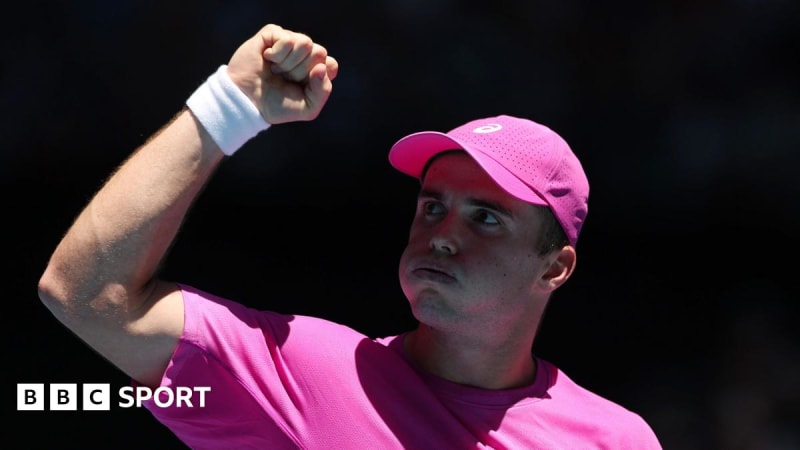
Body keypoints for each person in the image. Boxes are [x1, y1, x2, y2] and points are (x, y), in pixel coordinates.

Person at [38, 22, 662, 449]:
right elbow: (86, 294)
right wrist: (229, 107)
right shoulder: (310, 371)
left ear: (554, 267)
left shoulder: (617, 438)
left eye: (486, 217)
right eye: (432, 206)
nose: (442, 235)